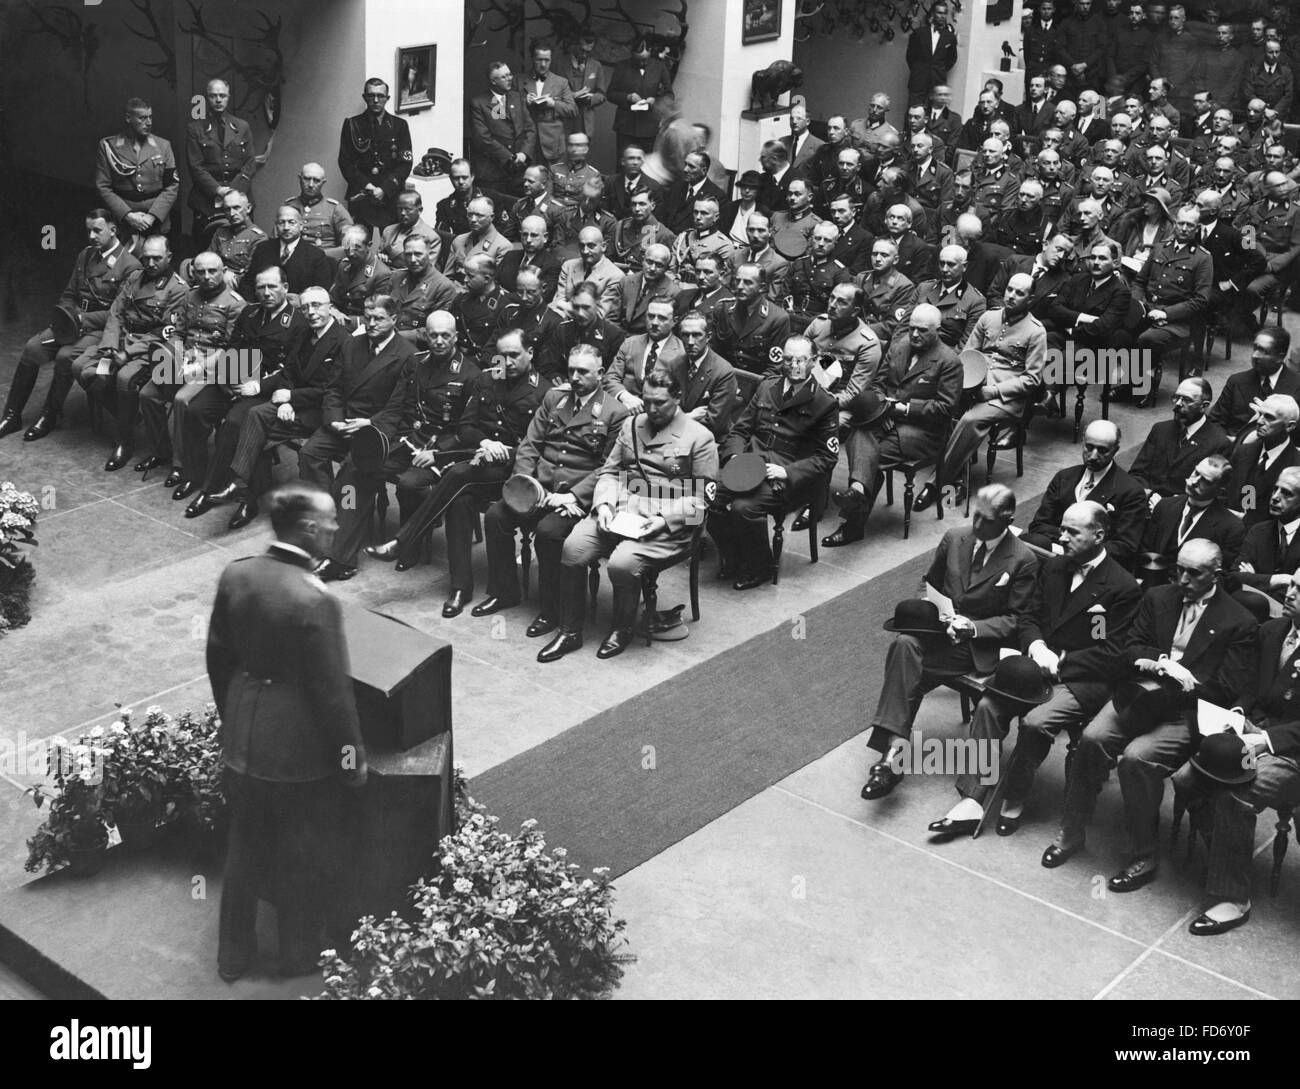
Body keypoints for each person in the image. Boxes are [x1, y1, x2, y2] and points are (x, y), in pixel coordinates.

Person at [206, 481, 367, 981]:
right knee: (301, 854)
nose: (338, 527)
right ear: (308, 529)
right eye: (331, 521)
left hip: (243, 737)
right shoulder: (315, 599)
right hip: (295, 753)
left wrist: (233, 717)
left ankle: (233, 955)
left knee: (244, 848)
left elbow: (218, 658)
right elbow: (331, 694)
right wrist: (350, 760)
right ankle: (298, 956)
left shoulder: (237, 575)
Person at [1043, 539, 1256, 892]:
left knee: (1137, 759)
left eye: (1193, 573)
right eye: (1179, 570)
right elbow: (1129, 648)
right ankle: (1072, 830)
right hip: (1139, 695)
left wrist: (1187, 685)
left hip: (1185, 711)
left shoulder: (1239, 621)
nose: (1183, 579)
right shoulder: (1158, 597)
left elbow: (1227, 689)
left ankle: (1144, 853)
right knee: (1092, 740)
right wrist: (1160, 664)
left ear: (1216, 575)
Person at [931, 501, 1142, 837]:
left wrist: (1060, 663)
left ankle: (1015, 794)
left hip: (1080, 680)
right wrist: (1036, 646)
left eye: (1073, 531)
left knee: (1035, 723)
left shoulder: (1122, 587)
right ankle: (973, 798)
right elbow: (1030, 616)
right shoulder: (1057, 567)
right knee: (987, 708)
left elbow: (1110, 653)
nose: (1063, 536)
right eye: (1063, 528)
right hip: (1034, 664)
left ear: (1099, 535)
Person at [861, 484, 1039, 800]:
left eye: (986, 519)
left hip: (977, 646)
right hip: (941, 632)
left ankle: (891, 759)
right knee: (905, 644)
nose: (977, 525)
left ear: (1007, 517)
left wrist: (973, 627)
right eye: (976, 516)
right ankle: (893, 754)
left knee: (908, 669)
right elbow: (928, 583)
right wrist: (934, 611)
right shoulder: (954, 537)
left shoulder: (1022, 560)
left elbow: (1017, 620)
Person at [538, 367, 717, 662]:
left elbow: (701, 501)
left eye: (660, 402)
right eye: (646, 401)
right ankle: (569, 631)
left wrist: (662, 521)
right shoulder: (632, 425)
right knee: (572, 547)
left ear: (678, 398)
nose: (652, 409)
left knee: (622, 564)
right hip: (621, 512)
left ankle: (621, 629)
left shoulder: (700, 438)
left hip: (668, 524)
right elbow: (609, 472)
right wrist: (604, 506)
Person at [363, 327, 551, 607]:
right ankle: (460, 587)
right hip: (479, 464)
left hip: (515, 473)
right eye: (502, 356)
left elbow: (542, 449)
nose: (507, 362)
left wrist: (506, 451)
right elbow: (467, 427)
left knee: (457, 474)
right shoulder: (488, 379)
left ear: (530, 353)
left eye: (514, 355)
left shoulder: (544, 392)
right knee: (459, 501)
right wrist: (486, 441)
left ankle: (403, 542)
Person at [1170, 578, 1300, 935]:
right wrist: (1240, 712)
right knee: (1186, 779)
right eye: (1292, 585)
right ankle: (1226, 858)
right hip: (1250, 729)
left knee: (1236, 792)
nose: (1289, 594)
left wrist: (1267, 740)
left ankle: (1234, 897)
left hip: (1290, 750)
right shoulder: (1274, 630)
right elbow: (1248, 682)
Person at [469, 341, 628, 631]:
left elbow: (608, 469)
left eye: (583, 372)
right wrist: (525, 485)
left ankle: (551, 610)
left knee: (548, 532)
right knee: (496, 517)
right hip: (537, 489)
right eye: (571, 371)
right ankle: (504, 592)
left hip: (574, 498)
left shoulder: (615, 413)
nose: (575, 378)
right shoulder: (554, 399)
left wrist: (571, 497)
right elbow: (530, 445)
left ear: (601, 373)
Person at [202, 286, 352, 531]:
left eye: (317, 305)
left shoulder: (343, 340)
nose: (311, 312)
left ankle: (243, 489)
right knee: (254, 415)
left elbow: (332, 390)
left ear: (330, 307)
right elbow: (289, 371)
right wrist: (284, 400)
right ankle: (240, 486)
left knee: (257, 429)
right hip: (294, 403)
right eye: (305, 307)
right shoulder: (304, 333)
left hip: (321, 409)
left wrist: (291, 398)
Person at [707, 335, 837, 590]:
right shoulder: (767, 387)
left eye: (801, 360)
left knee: (744, 508)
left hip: (785, 478)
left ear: (813, 362)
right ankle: (733, 556)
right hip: (748, 466)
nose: (794, 366)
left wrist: (787, 472)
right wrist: (733, 457)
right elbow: (740, 431)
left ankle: (760, 566)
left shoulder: (824, 403)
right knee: (708, 496)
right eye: (788, 360)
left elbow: (827, 457)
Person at [181, 265, 311, 519]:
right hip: (236, 380)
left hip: (267, 389)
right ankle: (193, 474)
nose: (266, 293)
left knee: (233, 424)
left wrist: (258, 387)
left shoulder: (298, 323)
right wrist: (225, 379)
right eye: (261, 287)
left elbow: (291, 372)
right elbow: (232, 348)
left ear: (285, 288)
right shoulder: (250, 313)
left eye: (272, 287)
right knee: (195, 410)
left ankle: (210, 491)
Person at [0, 209, 140, 442]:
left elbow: (119, 314)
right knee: (32, 348)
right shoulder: (85, 255)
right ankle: (12, 415)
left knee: (66, 356)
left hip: (99, 330)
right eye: (89, 231)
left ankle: (49, 414)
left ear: (113, 230)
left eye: (97, 230)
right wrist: (68, 316)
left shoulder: (130, 267)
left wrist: (83, 320)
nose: (92, 236)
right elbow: (68, 294)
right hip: (72, 322)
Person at [912, 274, 1046, 514]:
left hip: (1006, 397)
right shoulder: (989, 317)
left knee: (970, 420)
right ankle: (959, 482)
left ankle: (936, 483)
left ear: (1031, 299)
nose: (1011, 296)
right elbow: (969, 353)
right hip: (975, 384)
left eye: (1019, 293)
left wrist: (991, 391)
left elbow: (1032, 379)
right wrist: (970, 385)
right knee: (947, 410)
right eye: (1009, 290)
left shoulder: (1036, 332)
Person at [136, 252, 246, 496]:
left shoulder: (235, 303)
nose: (206, 277)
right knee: (147, 394)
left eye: (212, 271)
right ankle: (160, 451)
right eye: (201, 272)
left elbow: (230, 348)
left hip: (212, 369)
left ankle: (182, 466)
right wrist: (175, 356)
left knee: (181, 400)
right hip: (183, 360)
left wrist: (200, 365)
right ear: (193, 273)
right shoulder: (189, 296)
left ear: (223, 270)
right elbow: (179, 332)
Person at [297, 293, 417, 505]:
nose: (371, 324)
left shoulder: (408, 355)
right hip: (344, 421)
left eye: (378, 318)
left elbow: (398, 407)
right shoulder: (352, 344)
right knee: (309, 453)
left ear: (394, 319)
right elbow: (333, 387)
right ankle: (322, 507)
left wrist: (370, 423)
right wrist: (335, 419)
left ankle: (344, 515)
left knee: (351, 470)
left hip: (377, 429)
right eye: (367, 317)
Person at [1023, 421, 1149, 567]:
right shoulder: (1063, 478)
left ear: (1115, 450)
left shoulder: (1130, 491)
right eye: (1089, 447)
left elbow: (1125, 547)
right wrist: (1071, 541)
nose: (1093, 456)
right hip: (1053, 556)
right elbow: (1039, 525)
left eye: (1102, 450)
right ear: (1083, 443)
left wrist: (1078, 546)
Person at [1127, 378, 1231, 503]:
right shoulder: (1160, 429)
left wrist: (1168, 505)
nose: (1178, 403)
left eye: (1186, 400)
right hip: (1145, 503)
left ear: (1204, 406)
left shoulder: (1218, 443)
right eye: (1177, 397)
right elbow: (1137, 473)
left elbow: (1213, 493)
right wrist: (1149, 495)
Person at [95, 97, 178, 241]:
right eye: (142, 118)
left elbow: (172, 185)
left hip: (156, 221)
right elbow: (103, 187)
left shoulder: (163, 145)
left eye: (150, 117)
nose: (149, 123)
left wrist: (152, 216)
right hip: (123, 221)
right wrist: (128, 215)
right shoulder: (109, 146)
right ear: (128, 118)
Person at [337, 78, 413, 232]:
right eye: (371, 96)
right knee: (358, 243)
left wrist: (384, 189)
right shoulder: (352, 125)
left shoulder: (399, 126)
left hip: (390, 196)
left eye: (381, 96)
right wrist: (368, 186)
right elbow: (345, 163)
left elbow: (405, 164)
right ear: (365, 98)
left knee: (393, 243)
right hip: (362, 194)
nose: (376, 100)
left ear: (387, 98)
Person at [185, 78, 257, 241]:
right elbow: (195, 167)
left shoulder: (242, 127)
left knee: (244, 243)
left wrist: (233, 193)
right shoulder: (195, 129)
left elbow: (250, 163)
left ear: (228, 96)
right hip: (206, 201)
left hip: (240, 195)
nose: (218, 100)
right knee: (204, 247)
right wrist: (218, 190)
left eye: (222, 95)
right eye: (213, 96)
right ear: (206, 97)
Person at [1208, 328, 1300, 438]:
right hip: (1235, 449)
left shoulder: (1297, 386)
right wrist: (1229, 443)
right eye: (1255, 348)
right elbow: (1214, 422)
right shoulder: (1236, 381)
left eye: (1263, 351)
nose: (1255, 355)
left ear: (1280, 356)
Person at [242, 206, 334, 299]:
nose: (286, 227)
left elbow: (321, 291)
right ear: (276, 225)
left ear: (301, 226)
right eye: (281, 223)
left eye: (291, 222)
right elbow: (248, 283)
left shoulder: (316, 255)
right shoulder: (263, 249)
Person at [605, 38, 673, 157]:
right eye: (637, 60)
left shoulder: (660, 67)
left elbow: (669, 95)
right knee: (623, 164)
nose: (641, 63)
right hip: (625, 126)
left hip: (648, 126)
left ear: (650, 52)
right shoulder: (622, 66)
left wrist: (655, 101)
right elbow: (610, 94)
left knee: (644, 165)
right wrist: (627, 97)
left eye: (644, 60)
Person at [523, 42, 577, 167]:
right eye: (539, 60)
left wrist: (553, 104)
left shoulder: (561, 82)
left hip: (553, 142)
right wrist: (524, 101)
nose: (543, 64)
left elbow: (573, 110)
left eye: (547, 60)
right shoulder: (518, 80)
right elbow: (506, 109)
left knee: (553, 182)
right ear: (532, 59)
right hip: (526, 142)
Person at [287, 162, 353, 253]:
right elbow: (276, 241)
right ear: (300, 178)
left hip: (324, 262)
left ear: (323, 182)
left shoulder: (335, 209)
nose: (310, 185)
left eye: (316, 180)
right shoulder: (289, 206)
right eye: (306, 179)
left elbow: (349, 242)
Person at [376, 191, 440, 270]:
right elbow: (379, 256)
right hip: (383, 276)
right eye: (399, 209)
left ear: (420, 210)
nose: (402, 213)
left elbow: (426, 271)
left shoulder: (431, 237)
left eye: (408, 209)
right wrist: (381, 257)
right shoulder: (388, 230)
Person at [560, 33, 607, 140]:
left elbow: (602, 95)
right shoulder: (560, 63)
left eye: (588, 52)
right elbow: (553, 93)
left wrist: (592, 99)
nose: (585, 55)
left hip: (585, 121)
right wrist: (572, 95)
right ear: (574, 45)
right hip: (564, 120)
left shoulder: (596, 66)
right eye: (582, 50)